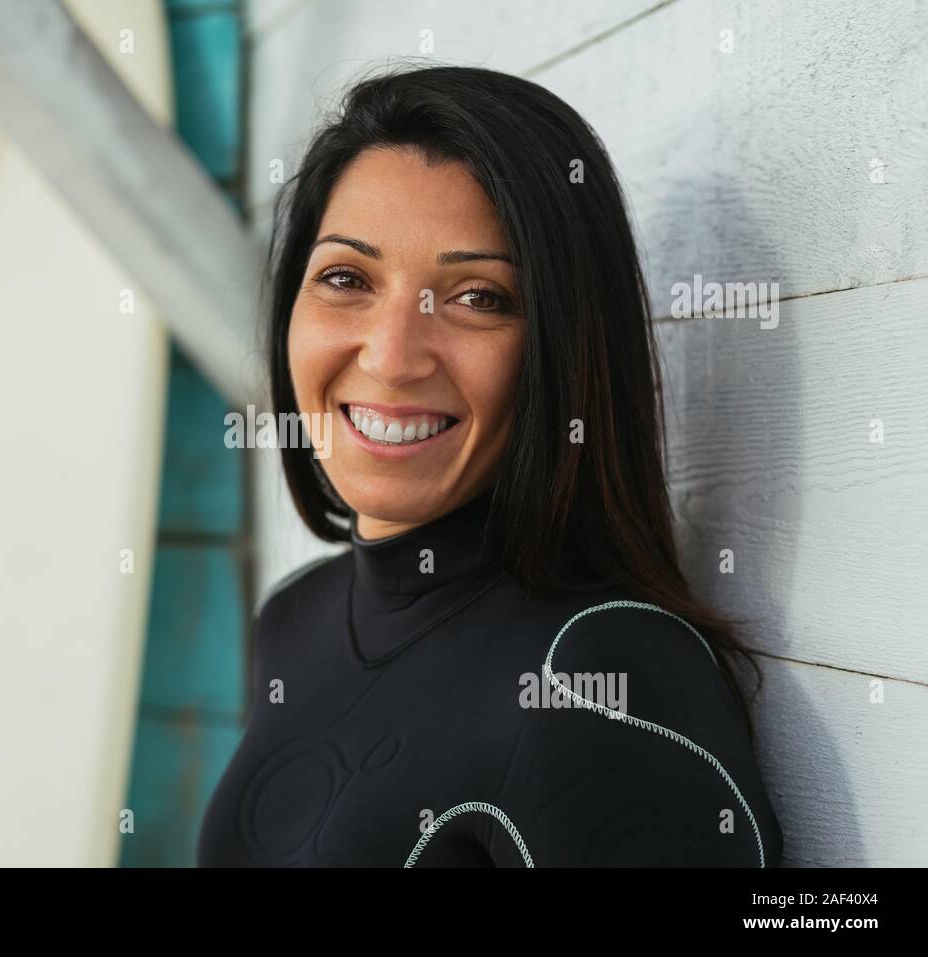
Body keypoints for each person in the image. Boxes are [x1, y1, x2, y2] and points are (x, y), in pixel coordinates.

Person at [196, 64, 784, 867]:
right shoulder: (294, 618)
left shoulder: (600, 675)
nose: (394, 356)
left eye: (479, 296)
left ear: (563, 352)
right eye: (346, 278)